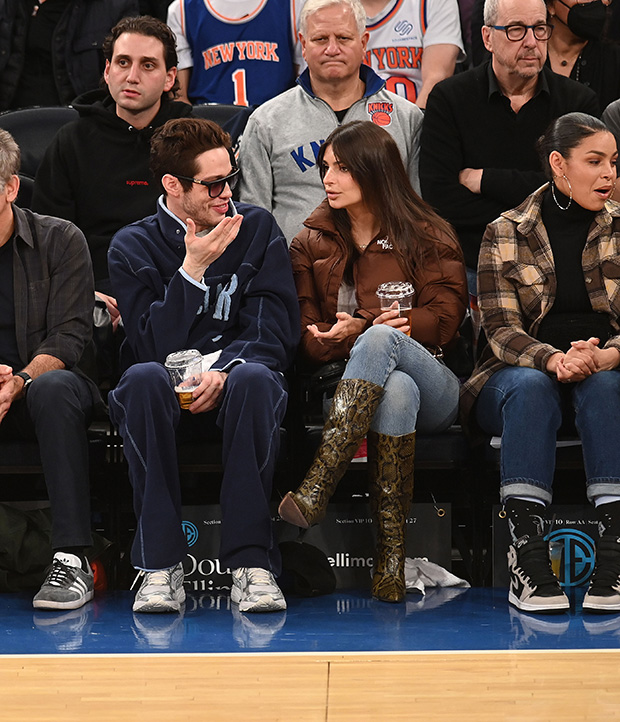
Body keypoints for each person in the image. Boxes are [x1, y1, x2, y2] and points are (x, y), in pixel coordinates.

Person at [107, 118, 300, 614]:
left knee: (257, 377)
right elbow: (147, 343)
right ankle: (159, 566)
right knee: (141, 379)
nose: (226, 193)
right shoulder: (132, 245)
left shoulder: (256, 228)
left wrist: (227, 369)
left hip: (237, 387)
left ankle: (251, 564)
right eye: (212, 184)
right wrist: (191, 272)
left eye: (229, 179)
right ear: (173, 185)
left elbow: (273, 329)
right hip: (162, 392)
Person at [279, 120, 468, 603]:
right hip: (352, 390)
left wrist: (365, 326)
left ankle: (318, 486)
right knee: (395, 387)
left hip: (438, 384)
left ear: (375, 170)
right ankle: (388, 559)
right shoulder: (308, 243)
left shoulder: (426, 232)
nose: (328, 179)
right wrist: (341, 335)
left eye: (342, 168)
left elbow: (447, 320)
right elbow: (306, 339)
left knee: (386, 341)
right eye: (325, 168)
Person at [461, 113, 620, 614]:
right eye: (593, 161)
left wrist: (605, 356)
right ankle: (527, 558)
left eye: (614, 162)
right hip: (516, 375)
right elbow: (501, 332)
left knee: (606, 388)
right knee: (531, 387)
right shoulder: (504, 231)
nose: (608, 174)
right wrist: (555, 360)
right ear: (559, 164)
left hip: (604, 371)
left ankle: (614, 559)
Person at [419, 0, 598, 289]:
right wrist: (538, 199)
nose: (531, 42)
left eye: (540, 29)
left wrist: (486, 179)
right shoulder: (449, 99)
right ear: (487, 37)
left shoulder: (577, 102)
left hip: (556, 265)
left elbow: (576, 193)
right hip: (472, 266)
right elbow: (441, 200)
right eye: (516, 30)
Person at [32, 15, 191, 325]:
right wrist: (84, 294)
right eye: (122, 63)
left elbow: (219, 229)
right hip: (92, 297)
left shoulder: (196, 143)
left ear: (170, 78)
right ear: (107, 71)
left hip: (179, 289)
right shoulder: (71, 142)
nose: (132, 76)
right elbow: (46, 245)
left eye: (147, 65)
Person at [0, 129, 100, 611]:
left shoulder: (60, 240)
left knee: (54, 388)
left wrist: (17, 381)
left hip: (38, 390)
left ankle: (71, 557)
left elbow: (69, 336)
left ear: (11, 187)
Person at [239, 0, 423, 244]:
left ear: (364, 43)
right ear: (303, 45)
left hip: (388, 272)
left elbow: (418, 212)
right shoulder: (265, 122)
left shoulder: (407, 118)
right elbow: (255, 223)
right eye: (321, 39)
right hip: (295, 274)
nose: (332, 49)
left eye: (344, 38)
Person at [0, 0, 139, 111]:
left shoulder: (113, 7)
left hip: (77, 122)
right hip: (9, 120)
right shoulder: (10, 6)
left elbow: (130, 71)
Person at [167, 0, 303, 106]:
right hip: (209, 129)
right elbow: (180, 98)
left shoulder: (294, 5)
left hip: (276, 123)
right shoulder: (182, 10)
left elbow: (305, 86)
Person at [362, 0, 465, 108]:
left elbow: (436, 78)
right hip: (356, 120)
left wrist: (413, 123)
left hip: (417, 116)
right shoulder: (344, 9)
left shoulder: (434, 3)